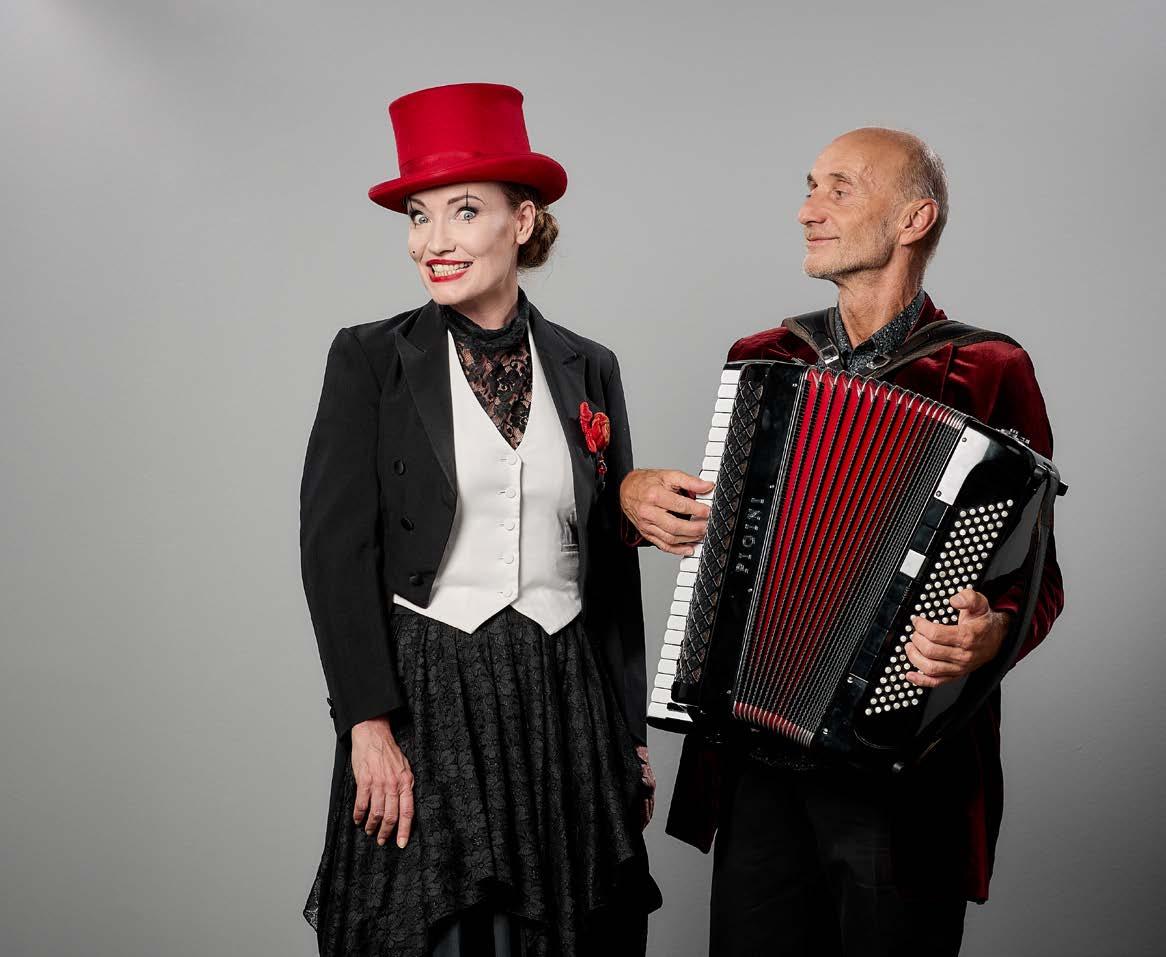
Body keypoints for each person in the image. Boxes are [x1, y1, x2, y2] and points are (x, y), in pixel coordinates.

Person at [620, 127, 1065, 956]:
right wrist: (638, 498)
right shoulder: (764, 359)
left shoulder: (989, 369)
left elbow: (1039, 580)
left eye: (839, 189)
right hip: (756, 761)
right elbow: (724, 542)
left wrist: (990, 633)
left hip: (904, 775)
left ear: (913, 218)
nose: (807, 210)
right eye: (810, 187)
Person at [299, 82, 661, 957]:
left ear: (523, 221)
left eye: (464, 211)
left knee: (565, 935)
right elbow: (334, 552)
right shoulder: (368, 359)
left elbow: (610, 562)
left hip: (563, 697)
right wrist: (366, 723)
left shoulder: (590, 366)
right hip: (428, 695)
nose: (434, 241)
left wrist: (629, 730)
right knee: (439, 931)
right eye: (418, 217)